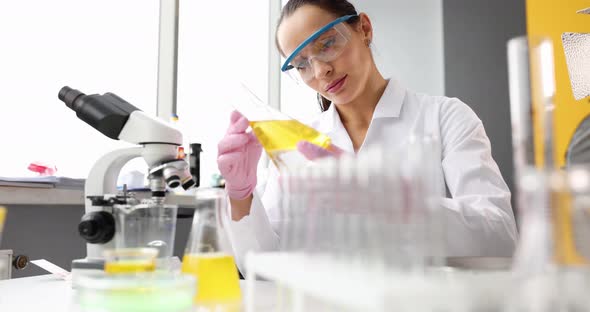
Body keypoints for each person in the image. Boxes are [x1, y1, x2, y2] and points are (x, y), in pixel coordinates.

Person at [217, 0, 517, 273]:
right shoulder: (301, 145)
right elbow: (263, 265)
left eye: (327, 44)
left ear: (364, 28)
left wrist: (388, 200)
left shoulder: (445, 117)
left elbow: (501, 238)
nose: (321, 71)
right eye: (302, 65)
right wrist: (242, 196)